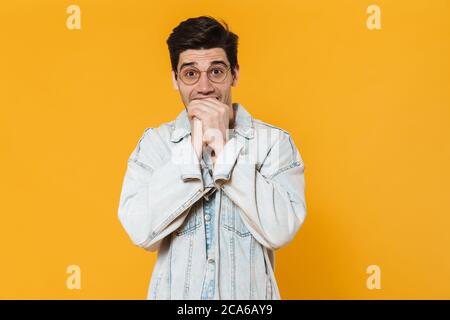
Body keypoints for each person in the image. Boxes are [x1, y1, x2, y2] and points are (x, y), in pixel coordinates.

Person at [118, 16, 307, 299]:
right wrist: (193, 147)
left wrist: (224, 147)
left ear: (235, 74)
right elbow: (141, 232)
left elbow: (280, 230)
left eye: (216, 72)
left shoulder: (274, 143)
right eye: (191, 74)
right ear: (175, 79)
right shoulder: (154, 145)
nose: (204, 87)